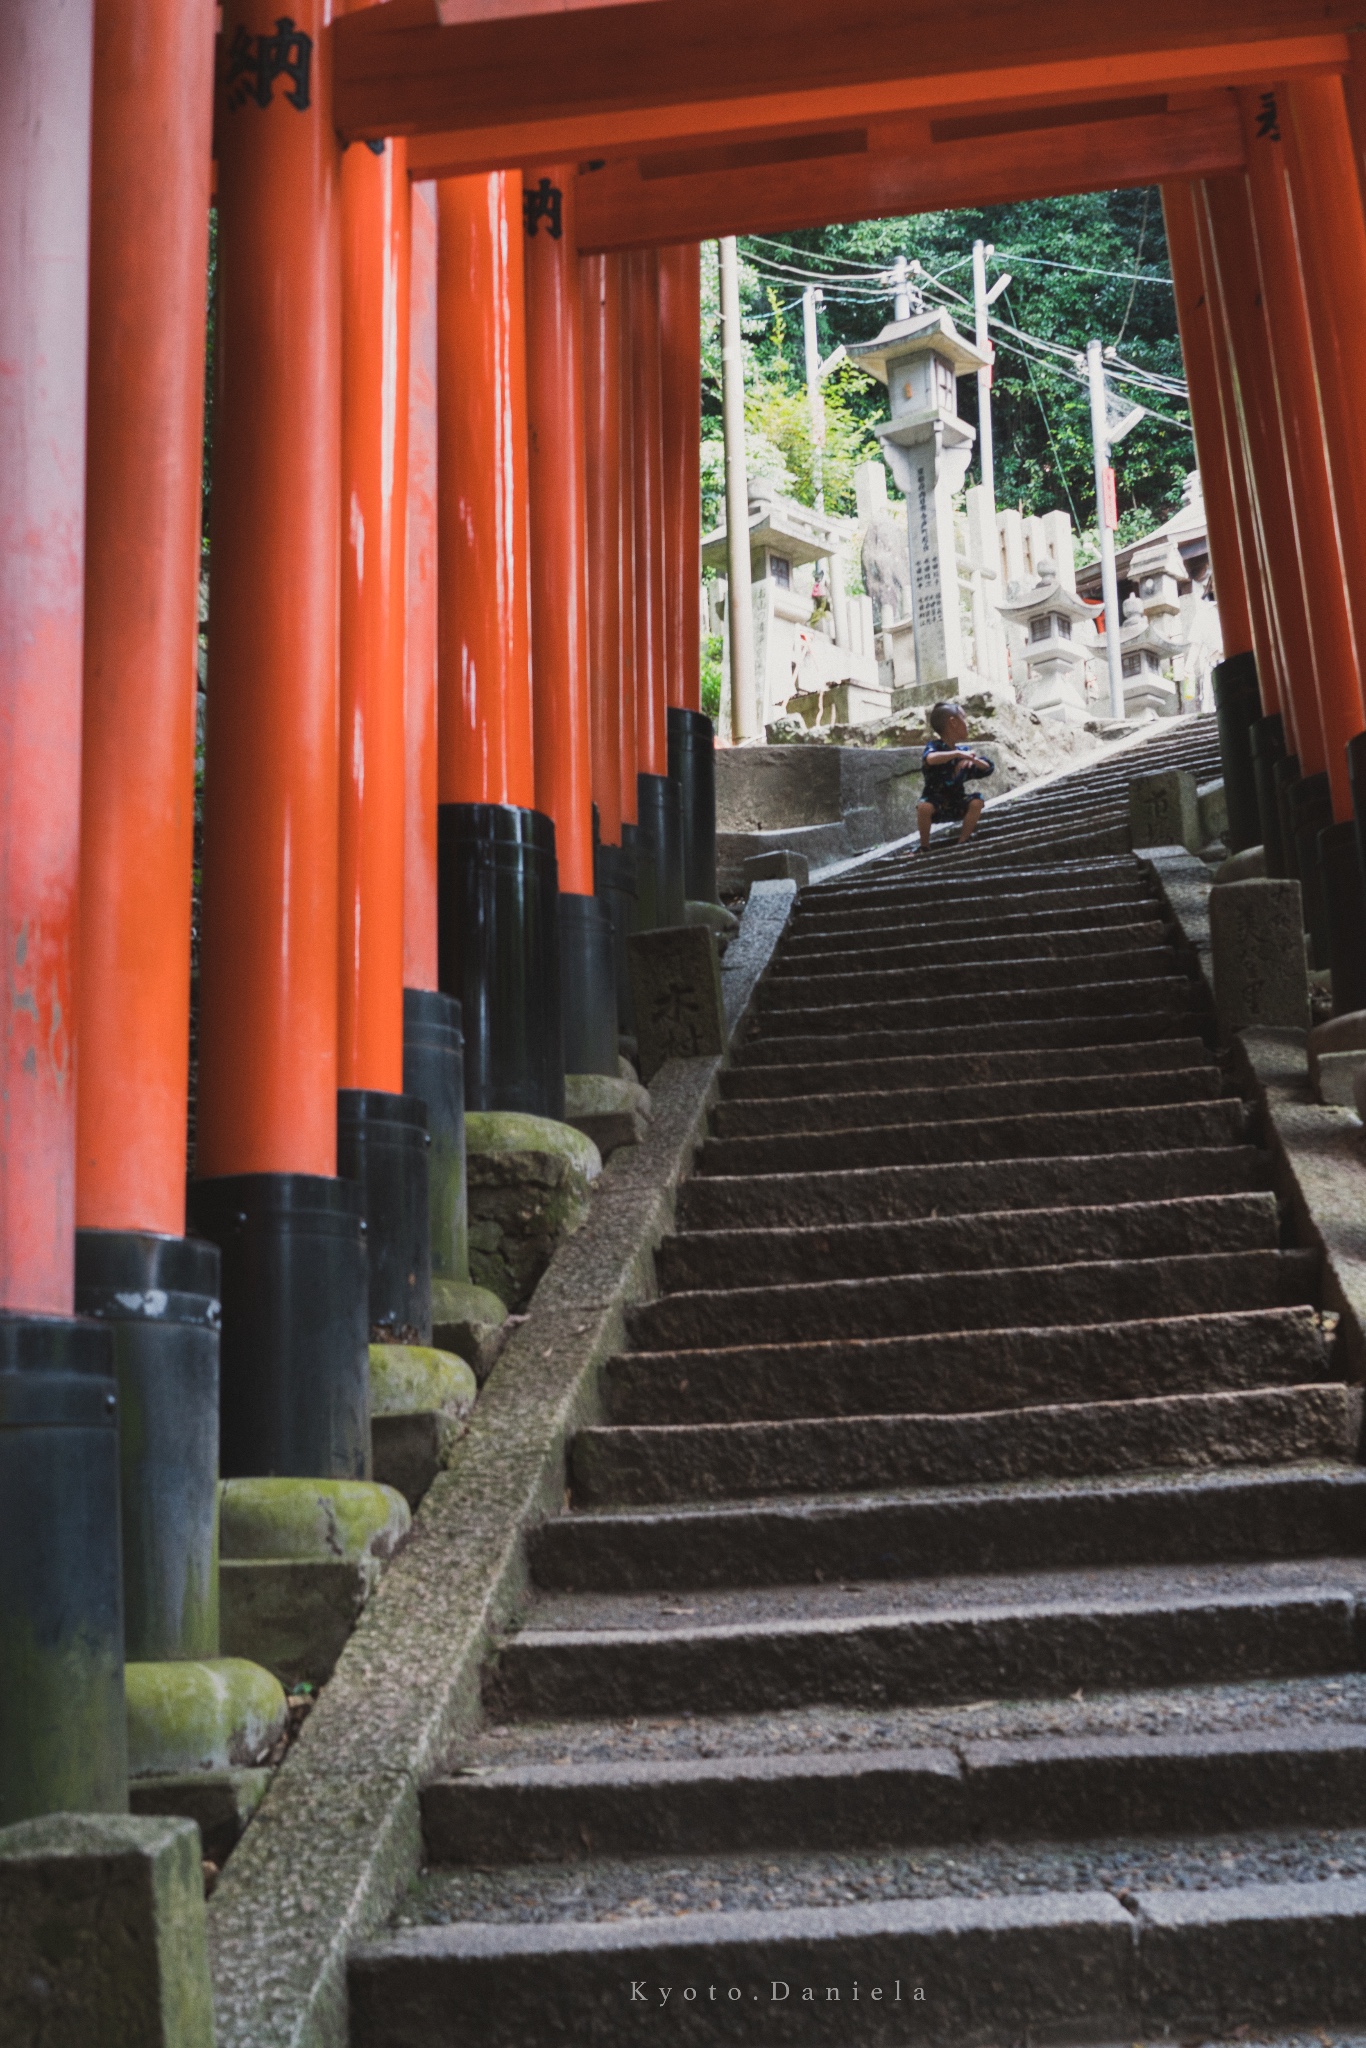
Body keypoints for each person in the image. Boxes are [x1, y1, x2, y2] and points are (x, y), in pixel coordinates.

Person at [915, 700, 994, 852]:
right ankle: (924, 846)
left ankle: (963, 841)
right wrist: (957, 754)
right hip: (935, 803)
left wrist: (973, 760)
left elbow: (988, 768)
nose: (967, 724)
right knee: (923, 807)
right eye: (964, 718)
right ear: (953, 723)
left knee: (977, 801)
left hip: (957, 803)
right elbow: (930, 758)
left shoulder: (964, 752)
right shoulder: (935, 746)